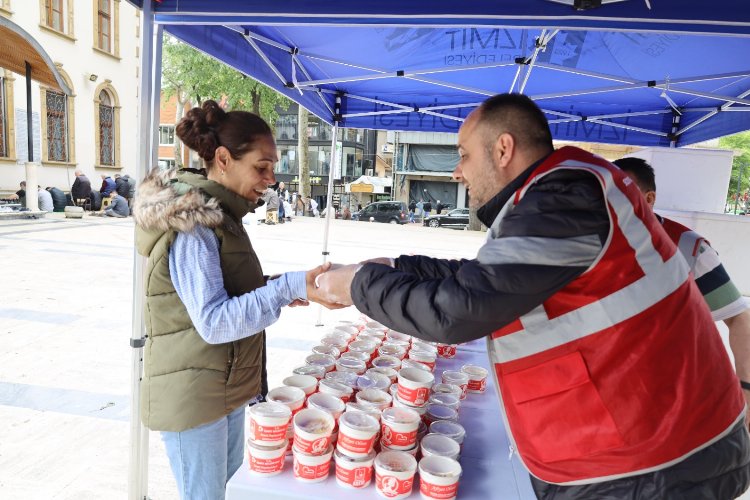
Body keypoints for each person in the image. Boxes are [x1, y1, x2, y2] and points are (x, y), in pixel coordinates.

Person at [314, 93, 750, 499]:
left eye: (464, 156)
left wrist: (357, 285)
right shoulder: (554, 196)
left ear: (503, 149)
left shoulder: (565, 197)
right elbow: (488, 278)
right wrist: (396, 267)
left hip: (651, 464)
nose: (456, 172)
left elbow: (460, 311)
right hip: (638, 451)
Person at [131, 100, 336, 500]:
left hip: (220, 388)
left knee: (226, 490)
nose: (271, 178)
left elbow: (219, 290)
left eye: (273, 166)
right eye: (261, 166)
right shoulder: (193, 223)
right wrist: (285, 288)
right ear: (223, 159)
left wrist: (277, 286)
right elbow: (213, 321)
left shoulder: (223, 216)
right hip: (194, 397)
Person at [615, 157, 750, 413]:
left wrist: (745, 386)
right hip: (614, 397)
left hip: (679, 398)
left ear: (648, 199)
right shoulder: (589, 247)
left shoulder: (688, 247)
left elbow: (739, 318)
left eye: (619, 196)